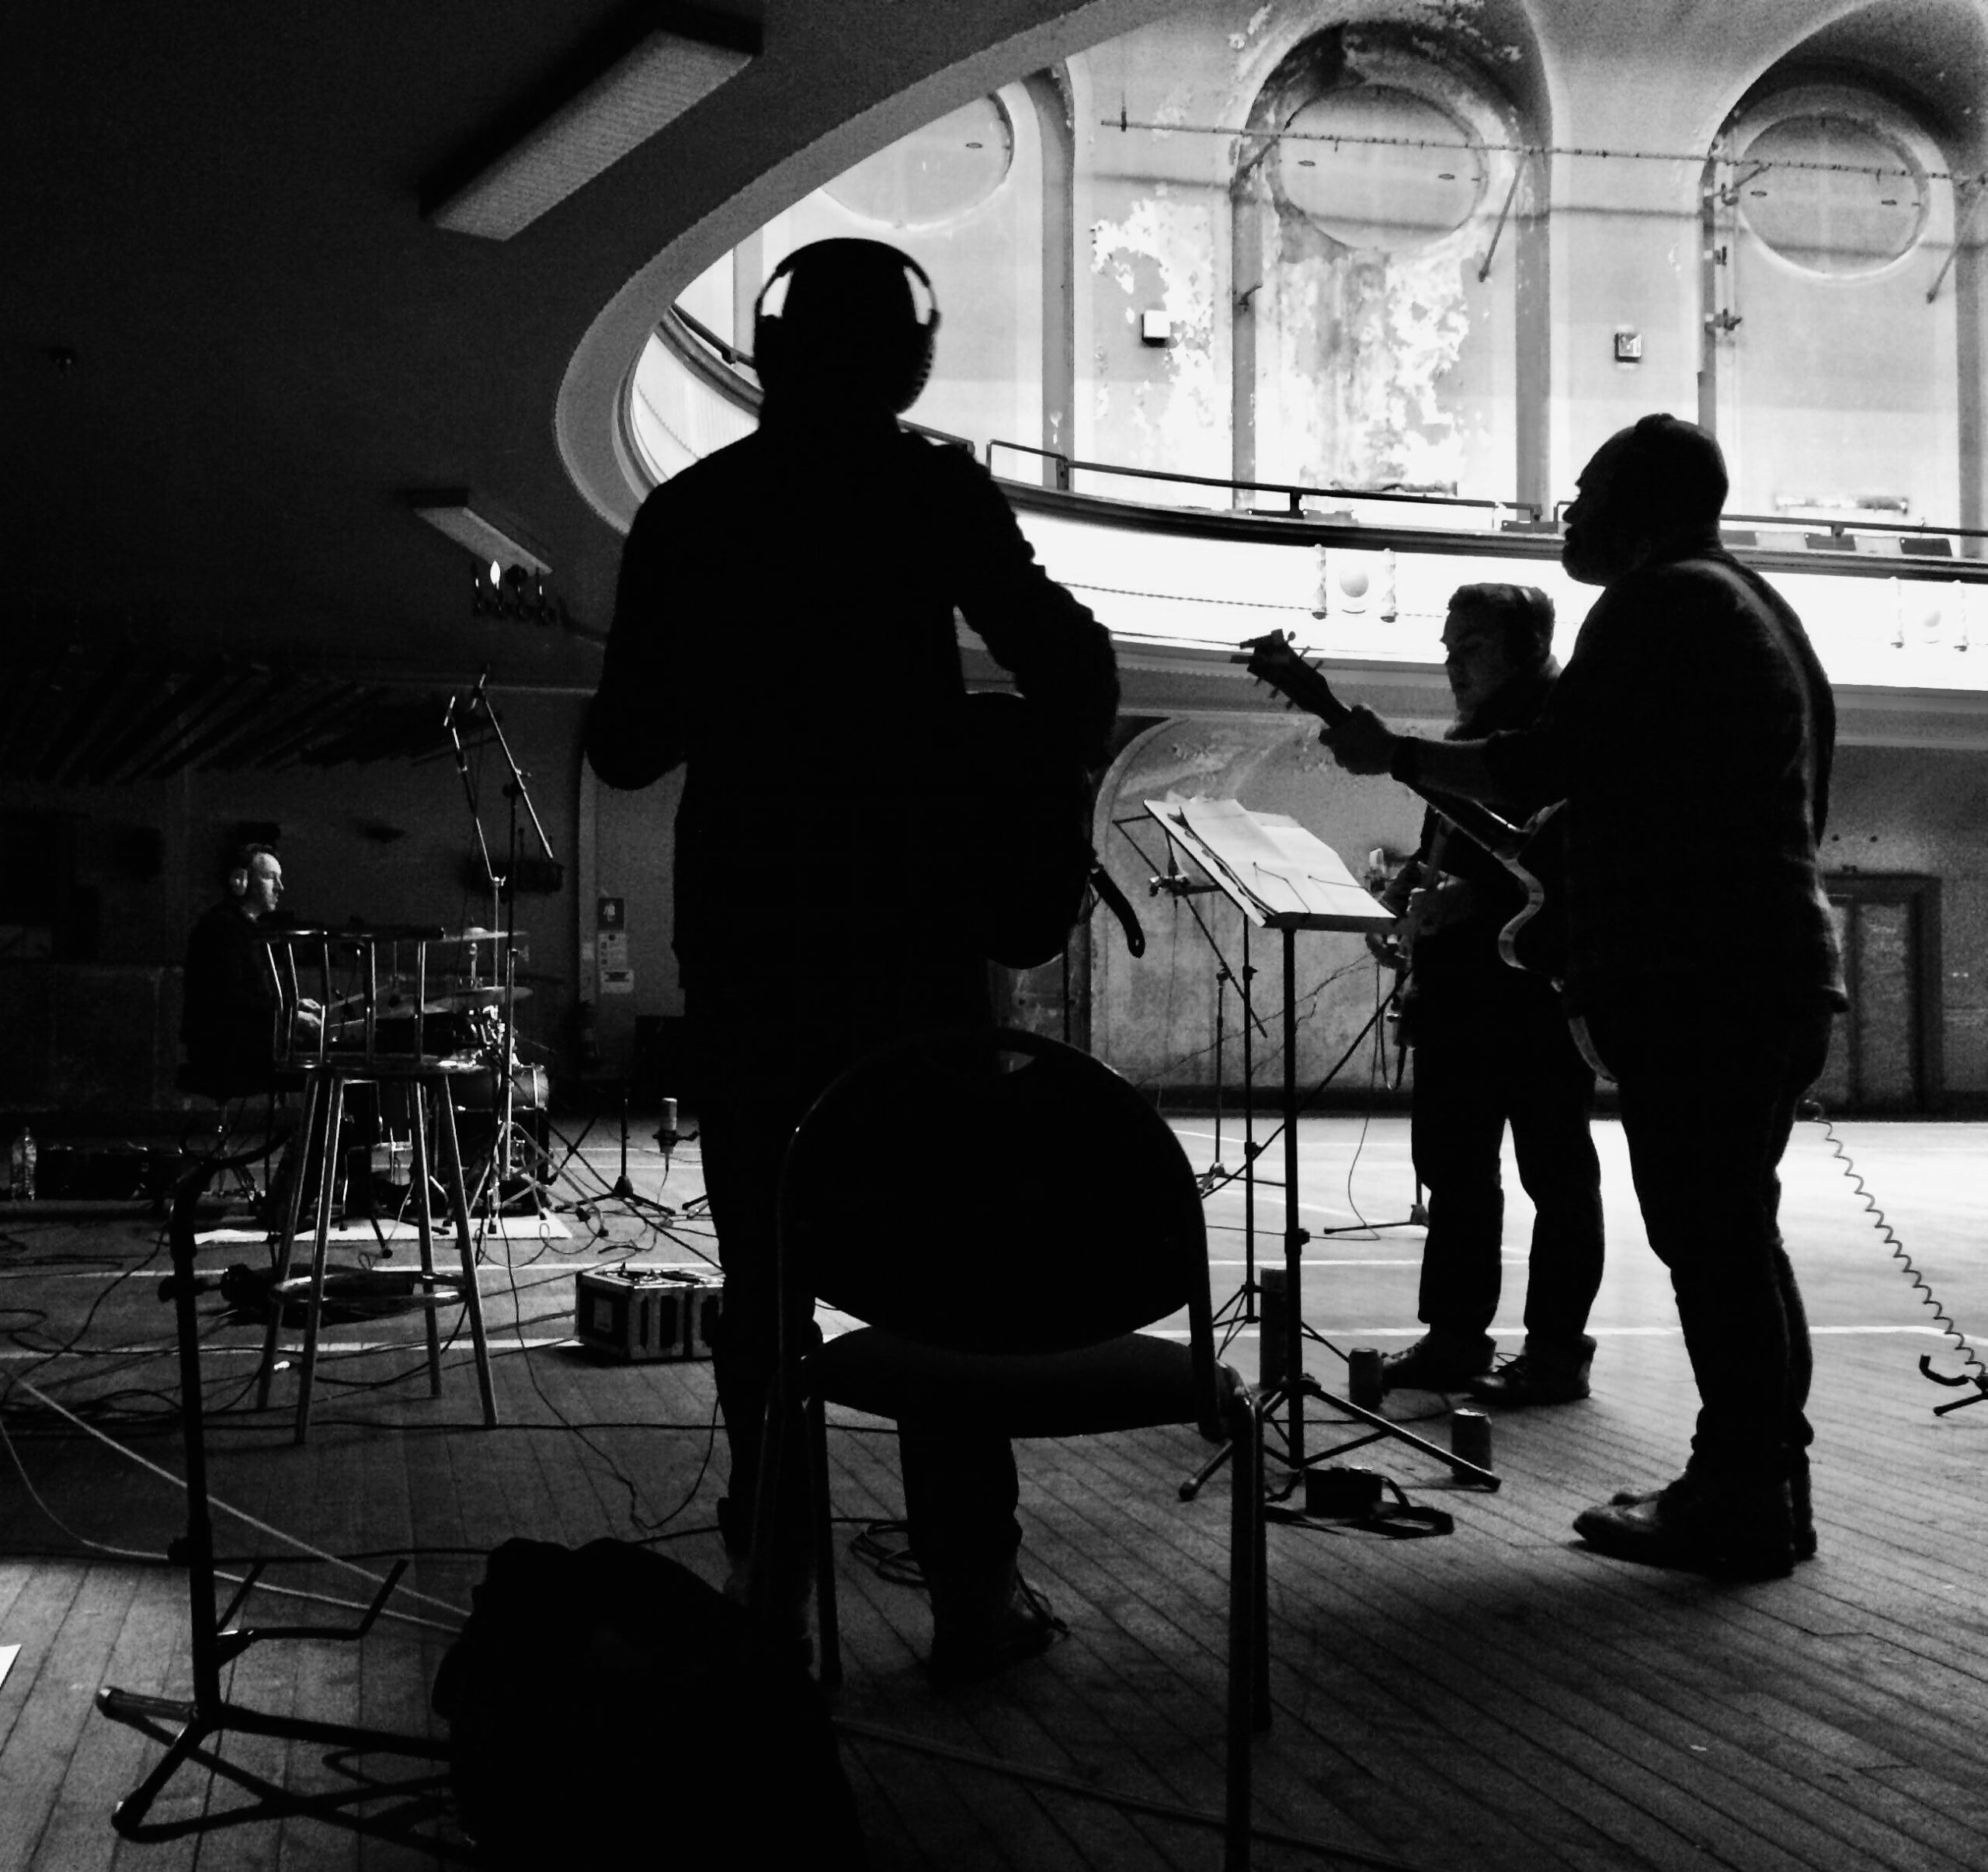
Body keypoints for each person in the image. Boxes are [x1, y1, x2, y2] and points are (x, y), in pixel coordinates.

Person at [585, 238, 1119, 1678]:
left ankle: (770, 1584)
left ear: (767, 349)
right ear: (910, 360)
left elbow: (624, 747)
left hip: (752, 936)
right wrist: (1007, 787)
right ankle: (974, 1593)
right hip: (913, 941)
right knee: (947, 1267)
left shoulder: (692, 510)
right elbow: (1075, 668)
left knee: (765, 1275)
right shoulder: (933, 490)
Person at [1320, 414, 1843, 1578]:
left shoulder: (1661, 600)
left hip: (1698, 977)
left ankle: (1737, 1496)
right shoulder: (1760, 607)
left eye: (1588, 493)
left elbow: (1541, 763)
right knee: (1734, 1232)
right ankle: (1765, 1484)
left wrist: (1399, 755)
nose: (1568, 513)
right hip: (1771, 966)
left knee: (1709, 1238)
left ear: (1641, 509)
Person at [1370, 585, 1605, 1405]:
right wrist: (1404, 895)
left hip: (1537, 995)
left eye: (1469, 646)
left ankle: (1556, 1352)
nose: (1451, 663)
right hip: (1458, 994)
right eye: (1448, 646)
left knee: (1555, 1173)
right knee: (1456, 1168)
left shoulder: (1557, 737)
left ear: (1528, 646)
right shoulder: (1465, 741)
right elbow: (1452, 854)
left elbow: (1572, 863)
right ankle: (1456, 1337)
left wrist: (1473, 902)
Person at [181, 844, 302, 1093]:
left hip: (237, 1044)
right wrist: (291, 1016)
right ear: (240, 881)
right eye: (270, 878)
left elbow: (252, 997)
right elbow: (234, 1000)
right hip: (227, 1050)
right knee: (330, 1067)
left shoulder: (242, 928)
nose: (280, 887)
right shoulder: (223, 929)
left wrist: (293, 1007)